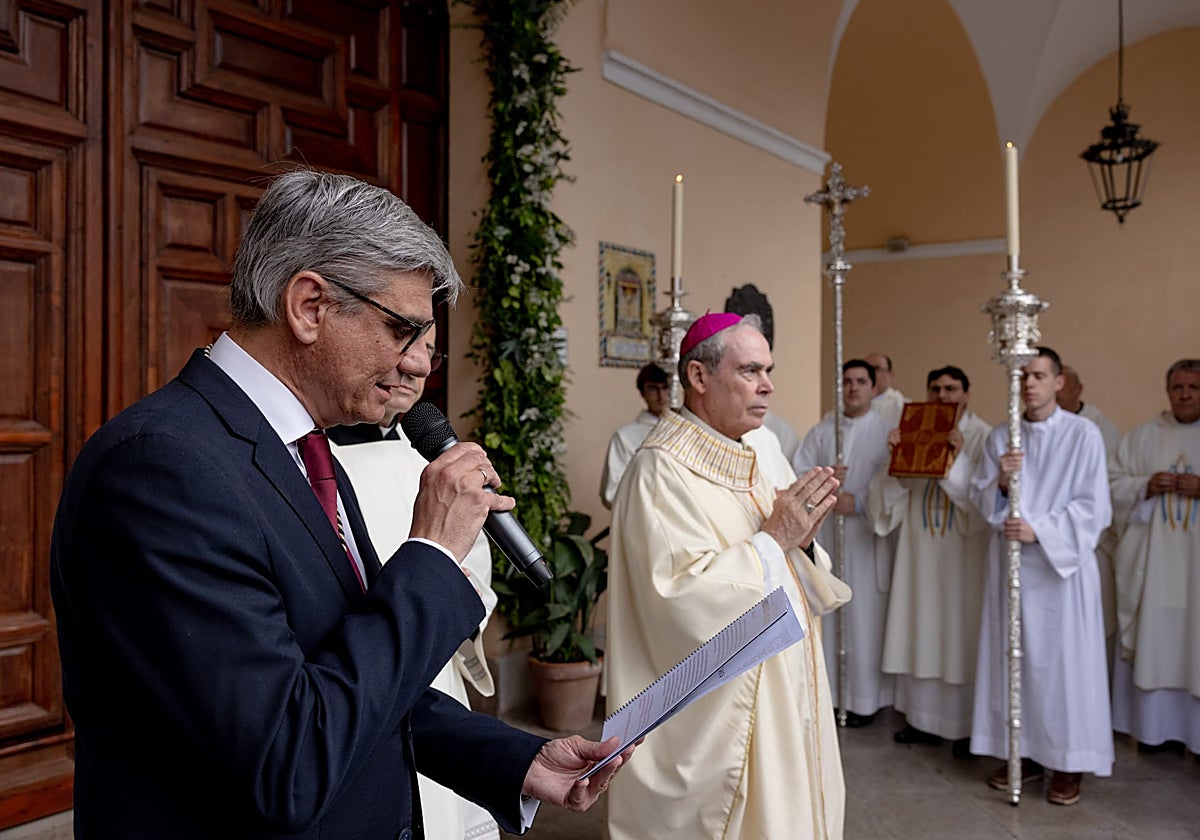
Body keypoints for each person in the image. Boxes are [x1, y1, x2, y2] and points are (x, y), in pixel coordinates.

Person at [49, 169, 630, 839]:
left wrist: (512, 756)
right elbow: (285, 760)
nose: (418, 364)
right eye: (402, 330)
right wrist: (434, 554)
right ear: (310, 306)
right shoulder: (159, 468)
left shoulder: (304, 450)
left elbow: (347, 677)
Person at [607, 312, 849, 839]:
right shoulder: (659, 470)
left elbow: (793, 555)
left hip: (785, 684)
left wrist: (802, 541)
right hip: (724, 710)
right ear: (698, 378)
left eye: (768, 370)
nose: (767, 386)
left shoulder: (761, 451)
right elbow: (675, 597)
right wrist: (775, 541)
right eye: (749, 371)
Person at [329, 326, 501, 840]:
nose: (418, 365)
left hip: (434, 676)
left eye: (429, 349)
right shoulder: (321, 463)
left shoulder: (431, 456)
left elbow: (479, 568)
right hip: (356, 679)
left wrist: (459, 590)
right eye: (407, 343)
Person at [968, 346, 1113, 806]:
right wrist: (1002, 484)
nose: (1029, 384)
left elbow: (1094, 506)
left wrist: (1040, 531)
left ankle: (1069, 761)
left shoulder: (1083, 435)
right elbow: (979, 498)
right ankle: (1023, 752)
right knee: (1016, 663)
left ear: (1059, 382)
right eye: (1022, 377)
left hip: (1060, 571)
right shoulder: (1000, 438)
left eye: (1038, 375)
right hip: (1011, 567)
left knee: (1063, 668)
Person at [867, 365, 991, 755]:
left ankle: (967, 727)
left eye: (951, 389)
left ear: (966, 395)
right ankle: (920, 720)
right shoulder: (914, 427)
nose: (942, 396)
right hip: (919, 550)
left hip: (962, 553)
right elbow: (886, 497)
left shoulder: (982, 436)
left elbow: (983, 500)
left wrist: (953, 460)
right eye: (935, 388)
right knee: (920, 625)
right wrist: (896, 457)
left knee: (959, 633)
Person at [794, 359, 893, 726]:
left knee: (865, 617)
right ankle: (832, 696)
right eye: (847, 382)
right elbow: (796, 475)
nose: (853, 388)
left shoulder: (887, 432)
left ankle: (865, 700)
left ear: (873, 387)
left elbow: (894, 483)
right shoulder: (822, 432)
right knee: (830, 616)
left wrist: (863, 500)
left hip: (866, 539)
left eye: (860, 382)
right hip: (828, 541)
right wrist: (823, 483)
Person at [1110, 358, 1200, 755]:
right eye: (1177, 387)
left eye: (1193, 388)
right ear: (1167, 392)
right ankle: (1153, 733)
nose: (1184, 395)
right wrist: (1144, 486)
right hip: (1154, 563)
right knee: (1156, 641)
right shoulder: (1143, 436)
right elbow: (1110, 487)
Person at [1058, 363, 1122, 656]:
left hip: (1090, 543)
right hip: (1045, 538)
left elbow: (1109, 486)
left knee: (1091, 626)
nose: (1057, 393)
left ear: (1078, 389)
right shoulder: (1031, 428)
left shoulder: (1100, 429)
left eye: (1064, 386)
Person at [599, 362, 671, 508]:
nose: (660, 395)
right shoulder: (625, 437)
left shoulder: (682, 432)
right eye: (653, 388)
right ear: (642, 392)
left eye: (665, 387)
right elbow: (611, 493)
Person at [866, 352, 909, 426]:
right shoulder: (853, 403)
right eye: (867, 369)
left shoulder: (901, 404)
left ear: (890, 374)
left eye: (876, 369)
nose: (871, 373)